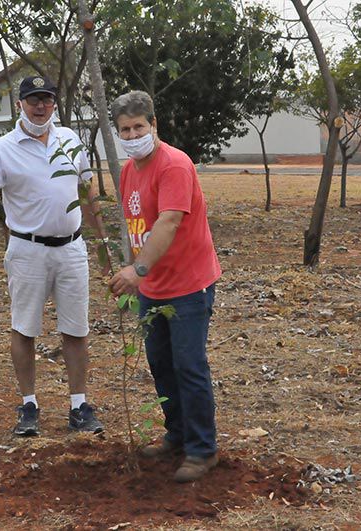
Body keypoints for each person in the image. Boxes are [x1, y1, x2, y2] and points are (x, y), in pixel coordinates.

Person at [0, 75, 104, 437]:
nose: (40, 106)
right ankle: (29, 405)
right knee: (24, 328)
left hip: (71, 248)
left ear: (54, 102)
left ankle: (79, 405)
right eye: (33, 100)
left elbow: (87, 190)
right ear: (20, 105)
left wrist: (102, 241)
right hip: (27, 250)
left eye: (46, 99)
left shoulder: (70, 139)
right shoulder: (1, 149)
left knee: (76, 328)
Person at [107, 90, 221, 482]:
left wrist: (137, 270)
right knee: (160, 364)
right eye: (125, 130)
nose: (132, 135)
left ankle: (202, 449)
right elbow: (138, 226)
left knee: (189, 365)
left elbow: (168, 222)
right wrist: (138, 272)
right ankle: (177, 434)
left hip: (188, 285)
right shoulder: (128, 171)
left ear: (154, 125)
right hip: (153, 286)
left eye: (139, 127)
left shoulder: (174, 165)